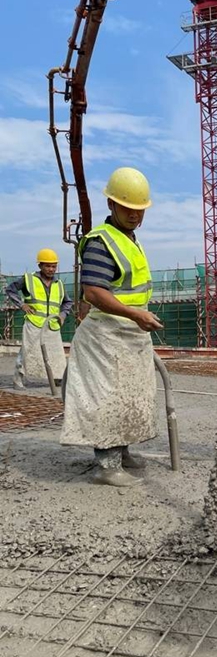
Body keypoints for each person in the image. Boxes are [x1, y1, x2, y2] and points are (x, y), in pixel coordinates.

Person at [60, 167, 163, 487]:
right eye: (128, 208)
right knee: (107, 397)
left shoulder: (128, 239)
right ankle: (106, 465)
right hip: (107, 335)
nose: (134, 215)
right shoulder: (101, 241)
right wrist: (136, 315)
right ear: (111, 205)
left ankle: (122, 450)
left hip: (129, 334)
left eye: (139, 210)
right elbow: (93, 292)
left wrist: (137, 317)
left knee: (131, 394)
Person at [6, 249, 72, 389]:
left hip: (52, 324)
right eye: (47, 266)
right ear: (40, 266)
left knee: (56, 353)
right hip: (34, 322)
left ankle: (58, 377)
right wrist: (21, 304)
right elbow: (10, 289)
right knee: (28, 351)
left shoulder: (59, 284)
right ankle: (19, 377)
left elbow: (67, 302)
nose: (51, 269)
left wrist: (63, 315)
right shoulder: (29, 279)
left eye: (53, 266)